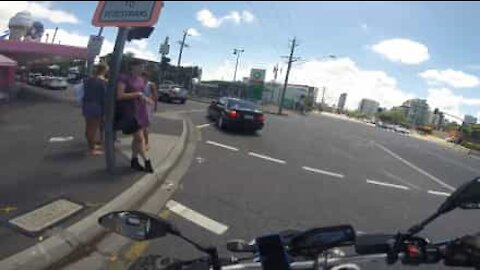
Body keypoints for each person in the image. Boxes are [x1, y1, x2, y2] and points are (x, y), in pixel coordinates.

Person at [116, 60, 154, 173]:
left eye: (143, 67)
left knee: (136, 139)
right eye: (141, 66)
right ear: (133, 67)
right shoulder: (124, 78)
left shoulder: (141, 79)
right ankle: (147, 161)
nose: (143, 69)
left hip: (140, 110)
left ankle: (134, 160)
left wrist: (147, 99)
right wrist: (137, 94)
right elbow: (120, 95)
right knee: (139, 138)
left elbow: (142, 94)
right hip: (129, 112)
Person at [82, 63, 108, 156]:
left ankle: (91, 146)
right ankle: (91, 149)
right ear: (104, 70)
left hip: (86, 105)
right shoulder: (103, 81)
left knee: (88, 127)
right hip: (96, 106)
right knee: (93, 129)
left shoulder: (88, 80)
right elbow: (104, 97)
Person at [141, 71, 158, 150]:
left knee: (145, 126)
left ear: (147, 77)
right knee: (139, 126)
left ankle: (147, 142)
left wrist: (154, 106)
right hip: (140, 106)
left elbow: (155, 96)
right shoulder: (140, 84)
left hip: (148, 106)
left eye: (143, 77)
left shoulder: (150, 84)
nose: (142, 78)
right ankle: (141, 141)